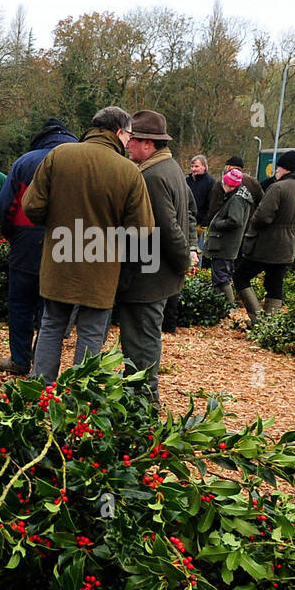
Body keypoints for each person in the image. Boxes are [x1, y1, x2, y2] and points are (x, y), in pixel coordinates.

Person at [22, 105, 154, 385]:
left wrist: (57, 223)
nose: (130, 141)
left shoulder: (59, 156)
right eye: (129, 134)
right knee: (92, 332)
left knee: (51, 325)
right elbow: (142, 229)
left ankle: (38, 393)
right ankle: (79, 398)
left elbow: (31, 206)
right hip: (101, 266)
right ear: (118, 132)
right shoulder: (129, 171)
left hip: (59, 258)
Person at [118, 110, 193, 405]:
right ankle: (139, 400)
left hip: (148, 278)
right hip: (158, 276)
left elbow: (167, 227)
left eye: (133, 140)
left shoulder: (151, 176)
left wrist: (183, 261)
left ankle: (144, 405)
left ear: (148, 143)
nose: (128, 145)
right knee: (143, 339)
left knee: (141, 343)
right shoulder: (171, 167)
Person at [0, 118, 77, 375]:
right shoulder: (80, 162)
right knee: (52, 311)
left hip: (27, 244)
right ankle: (44, 365)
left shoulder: (25, 161)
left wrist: (13, 235)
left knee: (21, 306)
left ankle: (20, 359)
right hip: (66, 245)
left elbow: (5, 205)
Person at [234, 150, 295, 328]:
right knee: (275, 284)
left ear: (284, 169)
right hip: (288, 244)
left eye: (278, 167)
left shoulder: (277, 188)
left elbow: (262, 217)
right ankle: (270, 326)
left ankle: (257, 319)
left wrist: (253, 227)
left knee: (240, 277)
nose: (276, 170)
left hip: (267, 244)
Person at [205, 166, 254, 309]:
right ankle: (220, 306)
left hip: (224, 244)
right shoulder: (240, 196)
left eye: (225, 183)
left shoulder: (237, 200)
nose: (222, 185)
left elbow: (235, 220)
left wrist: (217, 224)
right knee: (220, 275)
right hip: (227, 245)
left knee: (221, 276)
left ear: (231, 185)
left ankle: (229, 307)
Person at [186, 155, 216, 231]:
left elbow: (212, 204)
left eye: (196, 166)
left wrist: (204, 222)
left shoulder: (210, 182)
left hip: (200, 224)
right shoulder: (187, 181)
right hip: (186, 221)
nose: (193, 169)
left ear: (204, 167)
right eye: (192, 166)